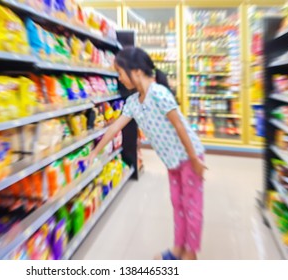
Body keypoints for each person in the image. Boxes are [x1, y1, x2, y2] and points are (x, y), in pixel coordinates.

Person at [88, 47, 206, 260]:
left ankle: (191, 253)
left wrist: (195, 159)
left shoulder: (159, 93)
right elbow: (115, 128)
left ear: (136, 71)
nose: (119, 78)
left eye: (120, 72)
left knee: (191, 205)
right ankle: (179, 247)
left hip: (189, 157)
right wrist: (94, 152)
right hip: (172, 162)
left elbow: (179, 126)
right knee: (178, 204)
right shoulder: (133, 102)